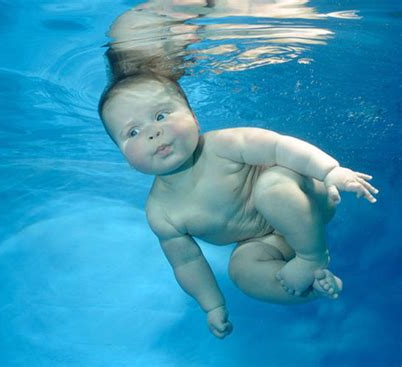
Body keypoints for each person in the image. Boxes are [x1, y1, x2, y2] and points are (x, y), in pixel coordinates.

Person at [98, 73, 378, 339]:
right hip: (266, 240)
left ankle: (312, 258)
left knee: (270, 188)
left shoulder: (224, 145)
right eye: (132, 132)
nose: (153, 132)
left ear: (194, 117)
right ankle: (316, 285)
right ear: (122, 155)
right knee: (241, 271)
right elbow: (187, 262)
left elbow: (282, 147)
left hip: (307, 199)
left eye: (161, 115)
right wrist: (213, 306)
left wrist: (330, 172)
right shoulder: (160, 212)